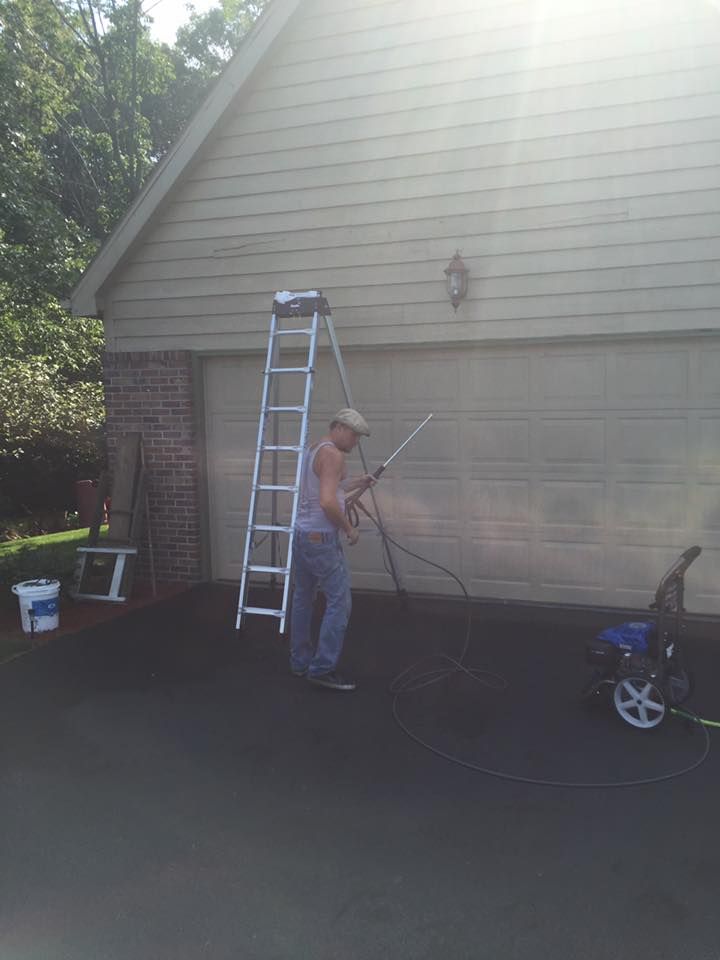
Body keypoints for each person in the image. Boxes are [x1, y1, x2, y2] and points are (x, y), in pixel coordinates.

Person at [289, 408, 375, 691]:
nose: (355, 442)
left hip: (302, 535)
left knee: (303, 598)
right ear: (338, 428)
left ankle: (300, 662)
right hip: (321, 540)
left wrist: (359, 481)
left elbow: (330, 488)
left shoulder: (315, 449)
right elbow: (327, 502)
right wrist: (349, 529)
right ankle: (322, 668)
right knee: (340, 603)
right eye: (354, 435)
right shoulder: (333, 455)